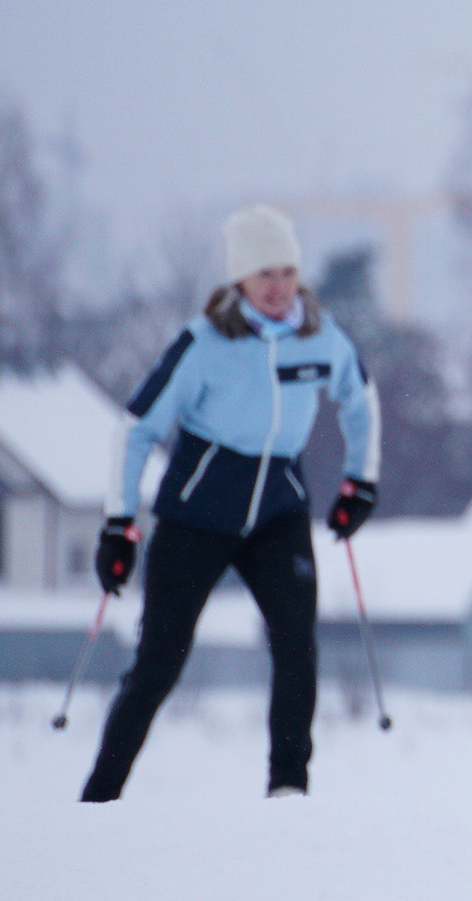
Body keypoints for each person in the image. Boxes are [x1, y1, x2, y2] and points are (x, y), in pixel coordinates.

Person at [80, 205, 381, 801]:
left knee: (298, 648)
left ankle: (288, 789)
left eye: (287, 272)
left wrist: (359, 483)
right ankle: (100, 796)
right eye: (264, 273)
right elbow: (136, 426)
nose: (278, 287)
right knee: (159, 666)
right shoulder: (204, 343)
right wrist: (119, 525)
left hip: (278, 512)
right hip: (196, 518)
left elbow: (360, 398)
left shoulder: (320, 338)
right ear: (239, 280)